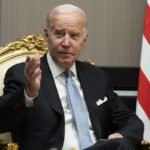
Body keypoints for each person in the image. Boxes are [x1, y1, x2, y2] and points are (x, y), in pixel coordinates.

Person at [0, 4, 144, 150]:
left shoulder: (97, 77)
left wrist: (122, 135)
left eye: (74, 35)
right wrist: (28, 93)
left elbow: (131, 121)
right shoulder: (23, 74)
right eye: (59, 34)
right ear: (46, 35)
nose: (66, 43)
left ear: (84, 40)